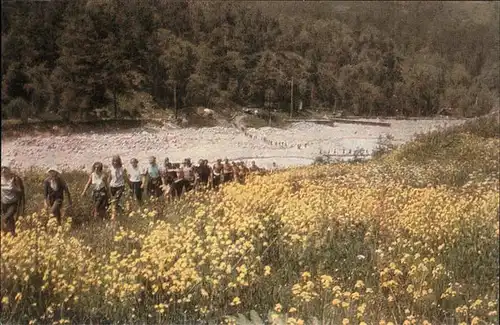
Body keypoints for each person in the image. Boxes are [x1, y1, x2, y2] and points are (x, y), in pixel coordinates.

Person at [1, 163, 24, 235]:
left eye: (5, 168)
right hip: (4, 203)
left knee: (6, 218)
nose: (3, 170)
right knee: (10, 219)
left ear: (9, 170)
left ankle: (8, 232)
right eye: (2, 168)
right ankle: (12, 234)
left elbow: (20, 190)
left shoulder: (14, 179)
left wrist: (14, 187)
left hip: (13, 203)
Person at [108, 155, 125, 220]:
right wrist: (108, 187)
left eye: (116, 161)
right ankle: (121, 210)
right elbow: (109, 178)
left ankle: (113, 216)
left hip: (120, 186)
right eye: (114, 161)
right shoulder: (111, 169)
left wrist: (130, 185)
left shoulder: (122, 169)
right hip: (112, 186)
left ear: (118, 161)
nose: (115, 162)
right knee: (113, 201)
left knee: (115, 200)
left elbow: (125, 177)